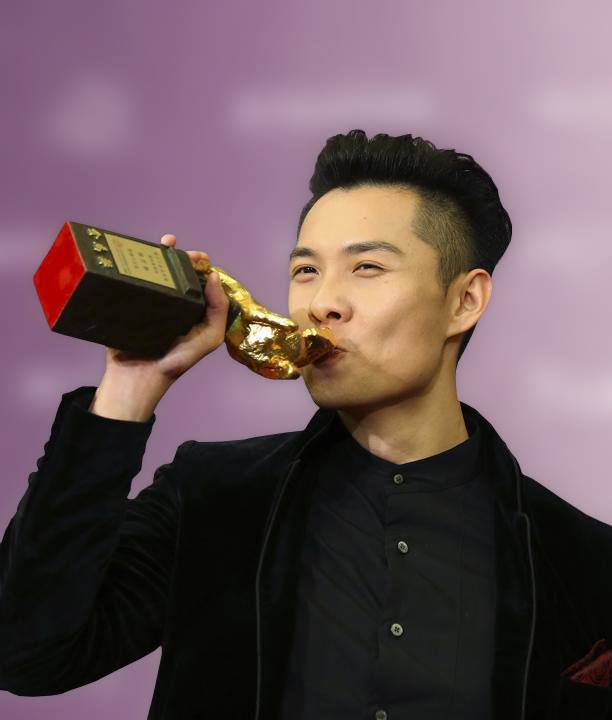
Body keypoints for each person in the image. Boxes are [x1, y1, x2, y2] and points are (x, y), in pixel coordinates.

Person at [1, 130, 612, 720]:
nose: (322, 304)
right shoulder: (213, 496)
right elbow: (26, 654)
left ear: (464, 301)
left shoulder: (582, 559)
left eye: (366, 267)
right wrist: (129, 387)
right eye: (305, 271)